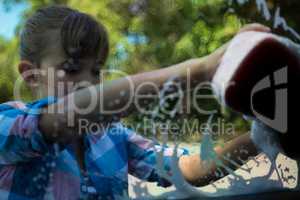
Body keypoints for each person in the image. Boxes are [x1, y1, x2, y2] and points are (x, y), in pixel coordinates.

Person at [0, 5, 271, 199]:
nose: (88, 82)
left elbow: (188, 168)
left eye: (96, 70)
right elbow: (63, 119)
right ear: (31, 74)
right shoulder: (7, 121)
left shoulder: (113, 135)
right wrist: (201, 70)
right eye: (71, 68)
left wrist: (265, 135)